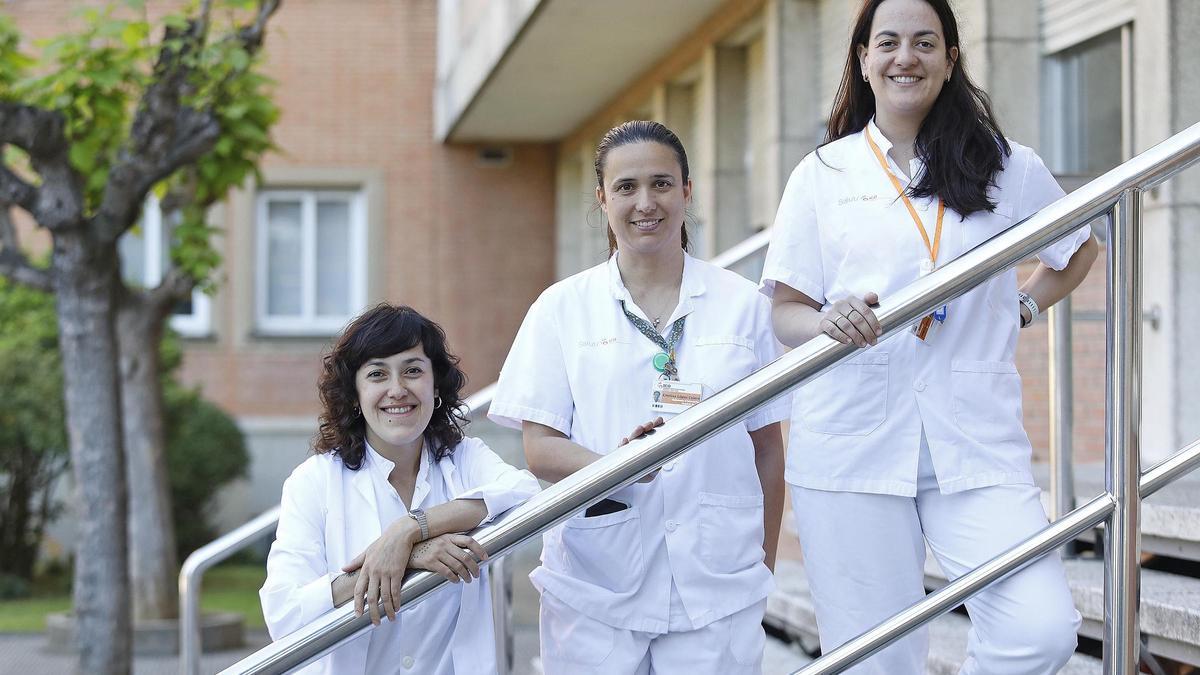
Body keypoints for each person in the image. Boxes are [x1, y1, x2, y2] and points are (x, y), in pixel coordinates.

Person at [760, 0, 1098, 672]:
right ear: (864, 60)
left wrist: (1023, 307)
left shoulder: (1006, 164)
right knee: (875, 661)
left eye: (924, 42)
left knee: (1040, 629)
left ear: (949, 59)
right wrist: (825, 320)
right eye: (887, 42)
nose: (905, 57)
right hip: (852, 446)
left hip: (973, 440)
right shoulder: (823, 174)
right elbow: (785, 310)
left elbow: (1078, 248)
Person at [489, 120, 789, 674]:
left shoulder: (743, 305)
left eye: (661, 184)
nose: (645, 203)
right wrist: (619, 467)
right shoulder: (561, 309)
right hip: (595, 586)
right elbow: (540, 447)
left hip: (718, 587)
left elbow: (767, 448)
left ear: (687, 191)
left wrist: (762, 565)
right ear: (603, 199)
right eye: (626, 187)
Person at [259, 304, 541, 675]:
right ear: (354, 394)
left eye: (412, 371)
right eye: (377, 374)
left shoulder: (464, 459)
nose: (397, 390)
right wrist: (406, 558)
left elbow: (525, 493)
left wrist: (410, 529)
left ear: (435, 385)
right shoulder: (314, 481)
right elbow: (284, 613)